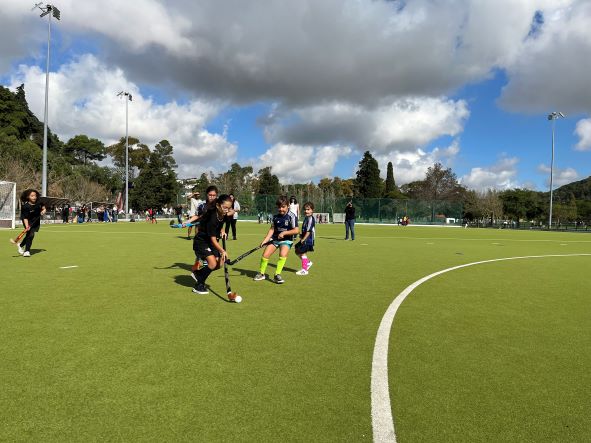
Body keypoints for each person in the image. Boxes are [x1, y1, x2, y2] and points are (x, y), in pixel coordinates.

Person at [190, 194, 234, 296]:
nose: (227, 210)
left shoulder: (221, 214)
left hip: (210, 242)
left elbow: (219, 226)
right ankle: (199, 284)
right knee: (212, 263)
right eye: (225, 207)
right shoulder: (213, 217)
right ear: (218, 205)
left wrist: (222, 231)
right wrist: (222, 250)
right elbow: (213, 239)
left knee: (220, 264)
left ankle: (198, 274)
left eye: (228, 208)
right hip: (201, 242)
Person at [254, 195, 299, 284]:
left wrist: (284, 233)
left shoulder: (292, 216)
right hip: (275, 240)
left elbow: (296, 230)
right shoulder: (275, 217)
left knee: (282, 254)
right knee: (265, 255)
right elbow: (272, 229)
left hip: (287, 240)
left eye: (283, 207)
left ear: (288, 206)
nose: (281, 209)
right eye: (279, 207)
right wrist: (265, 240)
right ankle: (262, 274)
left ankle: (277, 274)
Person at [18, 189, 46, 257]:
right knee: (31, 234)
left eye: (35, 195)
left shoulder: (39, 202)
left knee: (29, 235)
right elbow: (25, 218)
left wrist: (43, 210)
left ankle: (20, 245)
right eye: (32, 196)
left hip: (36, 221)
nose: (34, 197)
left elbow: (44, 208)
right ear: (28, 197)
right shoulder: (25, 206)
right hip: (27, 221)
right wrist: (27, 226)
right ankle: (27, 251)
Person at [295, 202, 316, 276]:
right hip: (304, 237)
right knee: (297, 249)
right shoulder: (306, 218)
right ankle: (308, 262)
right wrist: (301, 235)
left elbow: (309, 231)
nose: (306, 211)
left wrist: (303, 239)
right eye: (305, 209)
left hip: (308, 239)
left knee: (302, 252)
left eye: (308, 209)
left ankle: (304, 270)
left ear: (312, 210)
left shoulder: (311, 219)